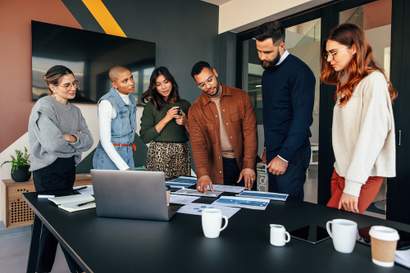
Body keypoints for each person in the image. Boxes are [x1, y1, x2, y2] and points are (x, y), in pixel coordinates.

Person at [321, 23, 397, 214]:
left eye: (334, 53)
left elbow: (372, 137)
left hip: (361, 176)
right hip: (341, 171)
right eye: (327, 54)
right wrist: (339, 171)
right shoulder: (345, 83)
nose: (329, 59)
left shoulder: (374, 81)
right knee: (345, 230)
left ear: (353, 48)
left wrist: (352, 186)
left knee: (334, 226)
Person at [28, 65, 93, 273]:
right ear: (52, 86)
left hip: (67, 169)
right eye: (67, 85)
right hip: (47, 172)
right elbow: (52, 144)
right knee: (57, 226)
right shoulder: (44, 106)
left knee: (59, 225)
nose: (73, 88)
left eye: (74, 83)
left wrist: (70, 137)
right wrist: (76, 140)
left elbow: (88, 140)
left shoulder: (75, 110)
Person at [255, 21, 315, 201]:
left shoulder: (300, 72)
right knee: (274, 204)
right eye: (258, 51)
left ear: (282, 45)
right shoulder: (267, 74)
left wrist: (284, 156)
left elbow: (302, 120)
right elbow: (272, 115)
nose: (262, 57)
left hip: (292, 154)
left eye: (267, 52)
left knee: (289, 209)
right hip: (274, 150)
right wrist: (267, 148)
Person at [189, 61, 257, 192]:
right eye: (202, 85)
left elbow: (250, 133)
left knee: (246, 205)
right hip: (218, 165)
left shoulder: (241, 97)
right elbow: (198, 144)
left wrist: (249, 165)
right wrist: (203, 174)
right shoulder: (195, 109)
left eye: (210, 80)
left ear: (215, 72)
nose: (208, 86)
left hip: (243, 162)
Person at [140, 66, 191, 178]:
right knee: (157, 192)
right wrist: (166, 118)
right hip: (158, 154)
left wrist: (186, 122)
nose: (163, 87)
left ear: (171, 82)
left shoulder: (185, 104)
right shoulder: (151, 106)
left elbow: (196, 135)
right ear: (154, 87)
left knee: (181, 191)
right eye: (158, 84)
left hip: (181, 154)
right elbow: (145, 137)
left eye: (166, 82)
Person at [92, 66, 137, 170]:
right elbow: (105, 142)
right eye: (125, 81)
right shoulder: (106, 103)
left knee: (130, 186)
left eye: (131, 78)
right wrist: (124, 168)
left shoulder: (132, 99)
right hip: (109, 158)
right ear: (115, 85)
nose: (131, 83)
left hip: (128, 153)